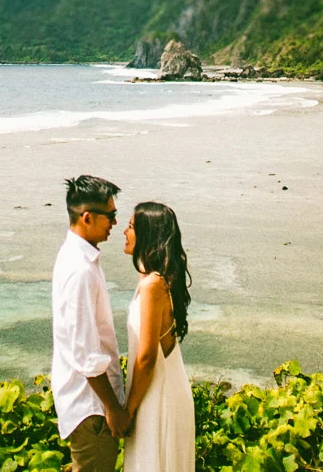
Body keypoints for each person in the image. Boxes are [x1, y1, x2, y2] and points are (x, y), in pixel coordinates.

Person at [51, 174, 128, 472]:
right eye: (110, 215)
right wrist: (113, 408)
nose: (115, 223)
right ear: (87, 217)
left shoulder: (76, 257)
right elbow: (85, 354)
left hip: (87, 404)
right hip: (91, 409)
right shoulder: (80, 270)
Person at [122, 201, 195, 472]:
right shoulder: (155, 279)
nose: (124, 232)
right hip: (159, 391)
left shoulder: (153, 284)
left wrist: (127, 411)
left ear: (146, 234)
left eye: (130, 227)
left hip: (157, 396)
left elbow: (146, 358)